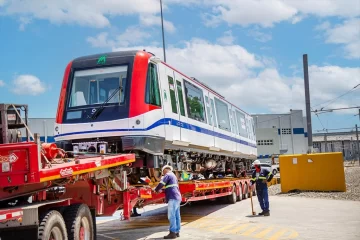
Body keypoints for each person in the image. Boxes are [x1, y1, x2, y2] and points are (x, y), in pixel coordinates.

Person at [154, 165, 182, 239]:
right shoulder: (174, 177)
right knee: (177, 216)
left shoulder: (168, 174)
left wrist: (156, 189)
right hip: (177, 197)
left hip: (172, 198)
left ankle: (172, 233)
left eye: (163, 172)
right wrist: (161, 190)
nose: (163, 174)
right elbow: (170, 187)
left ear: (165, 170)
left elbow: (161, 183)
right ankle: (177, 232)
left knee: (171, 216)